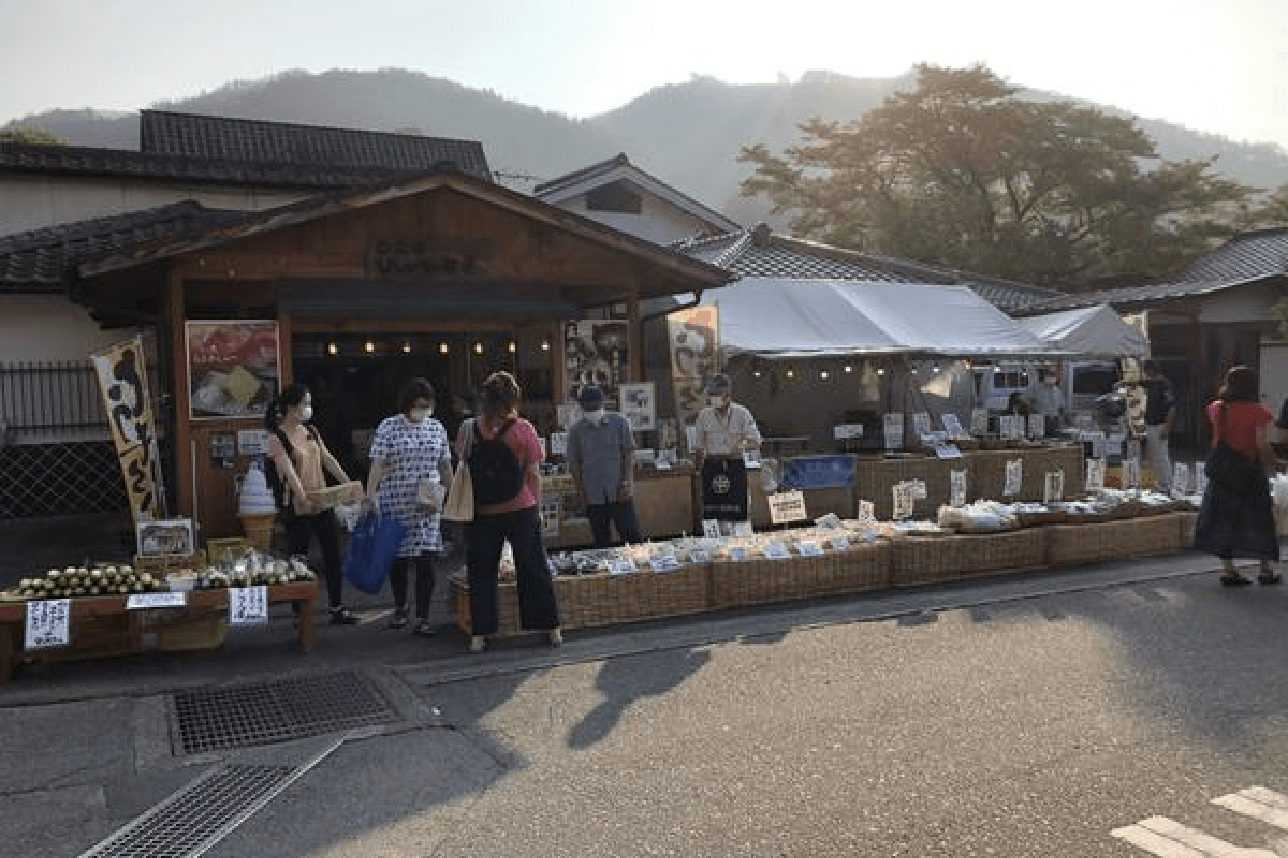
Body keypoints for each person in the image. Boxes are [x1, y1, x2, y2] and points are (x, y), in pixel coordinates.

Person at [455, 371, 561, 653]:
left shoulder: (468, 429)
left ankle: (479, 635)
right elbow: (534, 474)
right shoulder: (524, 429)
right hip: (521, 507)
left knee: (481, 572)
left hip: (482, 511)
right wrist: (536, 508)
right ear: (513, 400)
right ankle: (550, 628)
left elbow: (462, 467)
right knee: (533, 567)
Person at [365, 378, 454, 635]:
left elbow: (445, 465)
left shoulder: (437, 428)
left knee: (427, 560)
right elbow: (378, 463)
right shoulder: (389, 427)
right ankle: (401, 607)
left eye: (427, 405)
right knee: (398, 559)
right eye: (417, 405)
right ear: (406, 405)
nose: (422, 410)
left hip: (428, 503)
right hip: (395, 501)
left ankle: (423, 616)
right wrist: (370, 495)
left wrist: (456, 496)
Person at [265, 383, 358, 624]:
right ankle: (300, 612)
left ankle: (337, 606)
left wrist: (349, 484)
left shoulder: (311, 431)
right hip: (299, 505)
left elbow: (328, 460)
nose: (309, 408)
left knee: (332, 554)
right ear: (292, 407)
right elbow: (287, 471)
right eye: (305, 403)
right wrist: (302, 496)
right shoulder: (276, 438)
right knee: (300, 558)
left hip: (322, 499)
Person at [1193, 365, 1282, 587]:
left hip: (1223, 472)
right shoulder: (1259, 411)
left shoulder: (1216, 408)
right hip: (1249, 472)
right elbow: (1261, 444)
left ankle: (1229, 571)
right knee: (1258, 519)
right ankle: (1265, 569)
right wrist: (1276, 463)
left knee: (1223, 519)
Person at [566, 385, 643, 548]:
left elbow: (629, 453)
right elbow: (574, 463)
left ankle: (638, 570)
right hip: (593, 493)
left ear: (602, 403)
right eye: (587, 405)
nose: (591, 408)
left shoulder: (620, 422)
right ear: (582, 406)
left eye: (594, 404)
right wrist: (579, 491)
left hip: (619, 490)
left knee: (631, 534)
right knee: (601, 539)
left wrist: (627, 482)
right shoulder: (575, 430)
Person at [693, 373, 761, 521]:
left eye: (717, 394)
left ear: (728, 394)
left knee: (737, 510)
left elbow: (756, 440)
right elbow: (699, 446)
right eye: (711, 394)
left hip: (734, 464)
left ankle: (738, 539)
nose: (714, 398)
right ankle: (713, 540)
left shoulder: (742, 413)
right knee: (712, 512)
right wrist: (698, 472)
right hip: (711, 464)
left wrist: (741, 445)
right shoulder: (704, 415)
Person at [1121, 360, 1177, 493]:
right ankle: (1157, 485)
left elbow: (1172, 408)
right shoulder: (1151, 383)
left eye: (1145, 371)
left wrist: (1167, 427)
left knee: (1161, 457)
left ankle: (1167, 485)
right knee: (1152, 457)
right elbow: (1138, 382)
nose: (1144, 374)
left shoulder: (1165, 385)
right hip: (1149, 425)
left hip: (1160, 425)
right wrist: (1123, 383)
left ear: (1151, 370)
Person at [1032, 369, 1066, 436]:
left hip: (1054, 420)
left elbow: (1061, 407)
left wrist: (1061, 418)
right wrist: (1034, 415)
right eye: (1049, 376)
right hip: (1041, 419)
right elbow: (1026, 401)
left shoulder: (1058, 391)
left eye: (1053, 376)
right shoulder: (1036, 388)